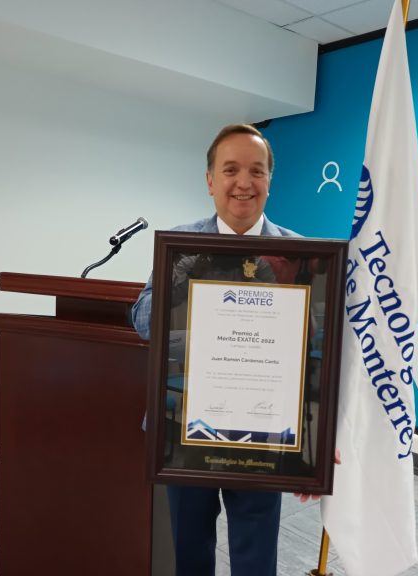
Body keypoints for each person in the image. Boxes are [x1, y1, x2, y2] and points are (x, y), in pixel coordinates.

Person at [132, 124, 324, 576]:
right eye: (231, 169)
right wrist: (206, 333)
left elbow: (315, 345)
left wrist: (319, 443)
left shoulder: (300, 254)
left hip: (264, 432)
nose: (244, 182)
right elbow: (142, 321)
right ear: (210, 180)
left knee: (256, 556)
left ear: (269, 180)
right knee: (190, 550)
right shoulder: (181, 245)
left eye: (256, 171)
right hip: (184, 428)